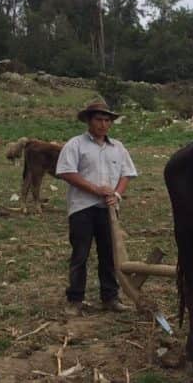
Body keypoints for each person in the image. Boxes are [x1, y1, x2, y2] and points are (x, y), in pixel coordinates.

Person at [56, 100, 138, 317]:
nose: (103, 124)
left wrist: (117, 194)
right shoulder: (76, 145)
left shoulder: (118, 147)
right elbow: (66, 172)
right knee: (80, 254)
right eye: (98, 120)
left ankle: (110, 298)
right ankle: (75, 299)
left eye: (106, 120)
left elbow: (126, 173)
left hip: (109, 209)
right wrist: (95, 189)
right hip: (82, 208)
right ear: (89, 121)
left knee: (109, 255)